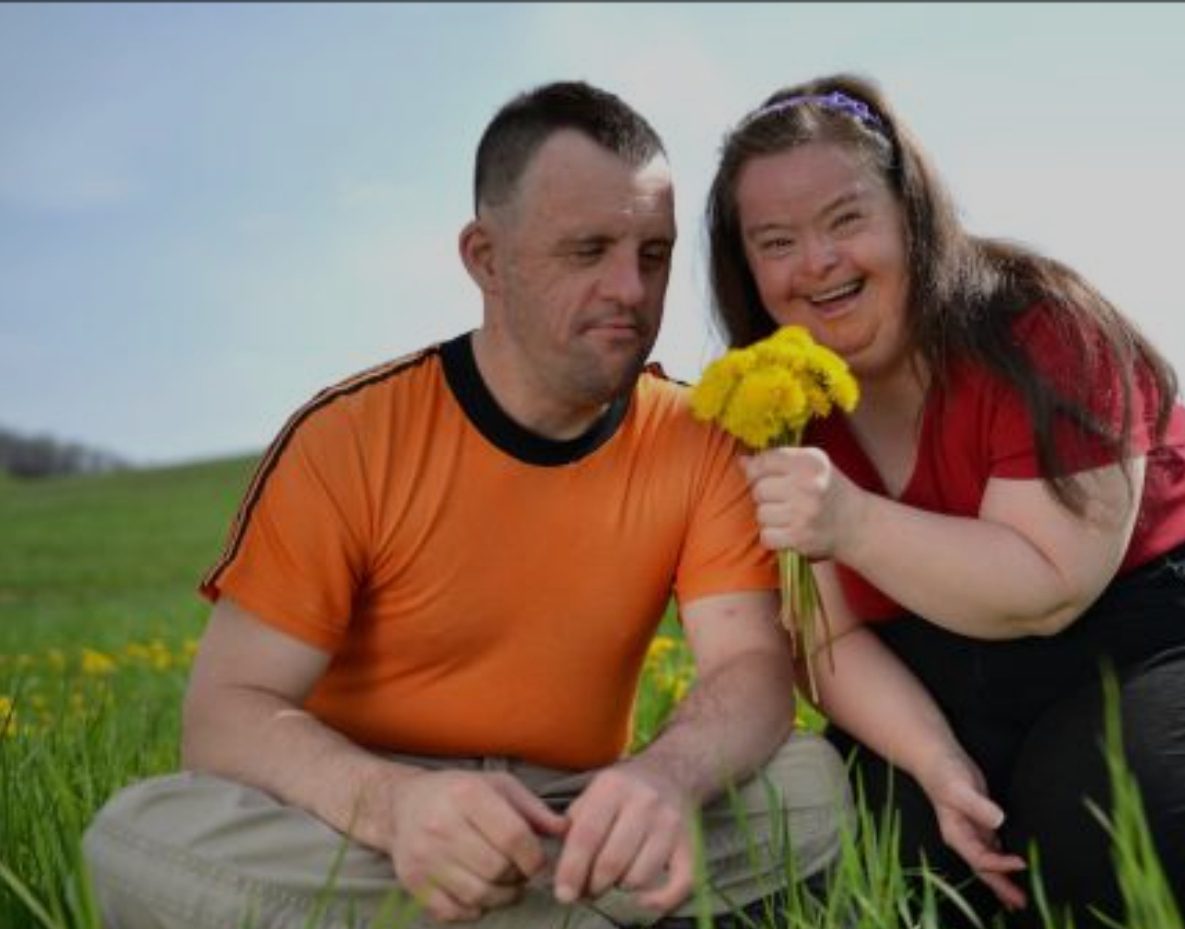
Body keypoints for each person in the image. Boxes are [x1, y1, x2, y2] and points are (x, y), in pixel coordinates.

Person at [83, 81, 849, 929]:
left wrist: (663, 778)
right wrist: (391, 805)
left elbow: (749, 669)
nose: (630, 289)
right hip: (365, 818)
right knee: (136, 837)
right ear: (485, 257)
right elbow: (223, 714)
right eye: (587, 249)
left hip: (579, 807)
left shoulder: (698, 436)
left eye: (654, 254)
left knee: (810, 785)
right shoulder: (350, 435)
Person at [704, 74, 1185, 928]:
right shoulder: (775, 410)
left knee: (1133, 870)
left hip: (1148, 631)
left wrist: (847, 519)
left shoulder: (1040, 324)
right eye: (775, 241)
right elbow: (828, 638)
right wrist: (934, 762)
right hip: (937, 671)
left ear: (910, 212)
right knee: (901, 883)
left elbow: (1049, 584)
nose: (816, 262)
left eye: (846, 219)